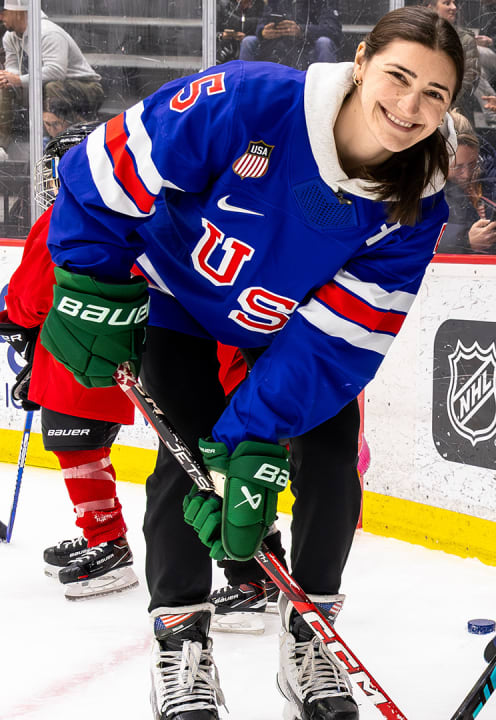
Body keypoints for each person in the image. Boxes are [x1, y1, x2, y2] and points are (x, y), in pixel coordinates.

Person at [41, 7, 462, 718]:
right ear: (361, 62)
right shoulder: (250, 101)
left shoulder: (413, 203)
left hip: (291, 330)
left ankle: (311, 637)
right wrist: (91, 278)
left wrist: (252, 441)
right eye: (399, 76)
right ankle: (179, 642)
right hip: (183, 302)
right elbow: (108, 164)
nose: (410, 104)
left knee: (328, 463)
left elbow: (342, 337)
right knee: (185, 465)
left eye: (435, 94)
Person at [0, 122, 138, 602]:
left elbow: (31, 296)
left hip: (74, 352)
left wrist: (14, 321)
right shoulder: (144, 209)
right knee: (92, 446)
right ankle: (102, 531)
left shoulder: (64, 214)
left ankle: (109, 544)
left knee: (76, 446)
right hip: (129, 353)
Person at [0, 0, 102, 150]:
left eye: (4, 13)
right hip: (51, 87)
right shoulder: (10, 37)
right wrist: (7, 78)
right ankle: (1, 146)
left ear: (18, 12)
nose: (1, 18)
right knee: (4, 87)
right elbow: (12, 66)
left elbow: (56, 71)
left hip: (87, 87)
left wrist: (19, 80)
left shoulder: (48, 32)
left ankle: (60, 145)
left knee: (52, 86)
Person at [440, 110, 496, 254]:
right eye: (457, 166)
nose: (466, 174)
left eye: (473, 163)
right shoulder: (423, 191)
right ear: (437, 162)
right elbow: (412, 237)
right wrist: (465, 241)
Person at [422, 0, 496, 128]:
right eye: (447, 3)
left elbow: (471, 77)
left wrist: (443, 98)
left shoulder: (465, 39)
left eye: (454, 3)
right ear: (430, 7)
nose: (453, 7)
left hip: (455, 110)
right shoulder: (415, 35)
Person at [238, 0, 341, 69]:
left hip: (307, 50)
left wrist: (301, 30)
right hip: (279, 47)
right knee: (249, 41)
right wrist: (263, 32)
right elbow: (262, 23)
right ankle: (244, 88)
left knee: (324, 43)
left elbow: (332, 29)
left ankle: (326, 90)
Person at [217, 0, 267, 64]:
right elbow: (209, 33)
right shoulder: (223, 5)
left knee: (248, 41)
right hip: (225, 52)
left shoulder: (261, 5)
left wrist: (249, 37)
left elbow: (265, 30)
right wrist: (222, 35)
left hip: (254, 54)